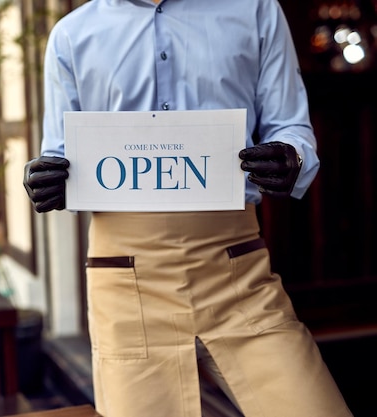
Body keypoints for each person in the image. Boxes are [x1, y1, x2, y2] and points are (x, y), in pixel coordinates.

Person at [23, 1, 353, 416]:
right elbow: (59, 151)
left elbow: (290, 125)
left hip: (236, 269)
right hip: (127, 281)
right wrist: (44, 178)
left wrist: (292, 156)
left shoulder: (255, 10)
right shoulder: (71, 35)